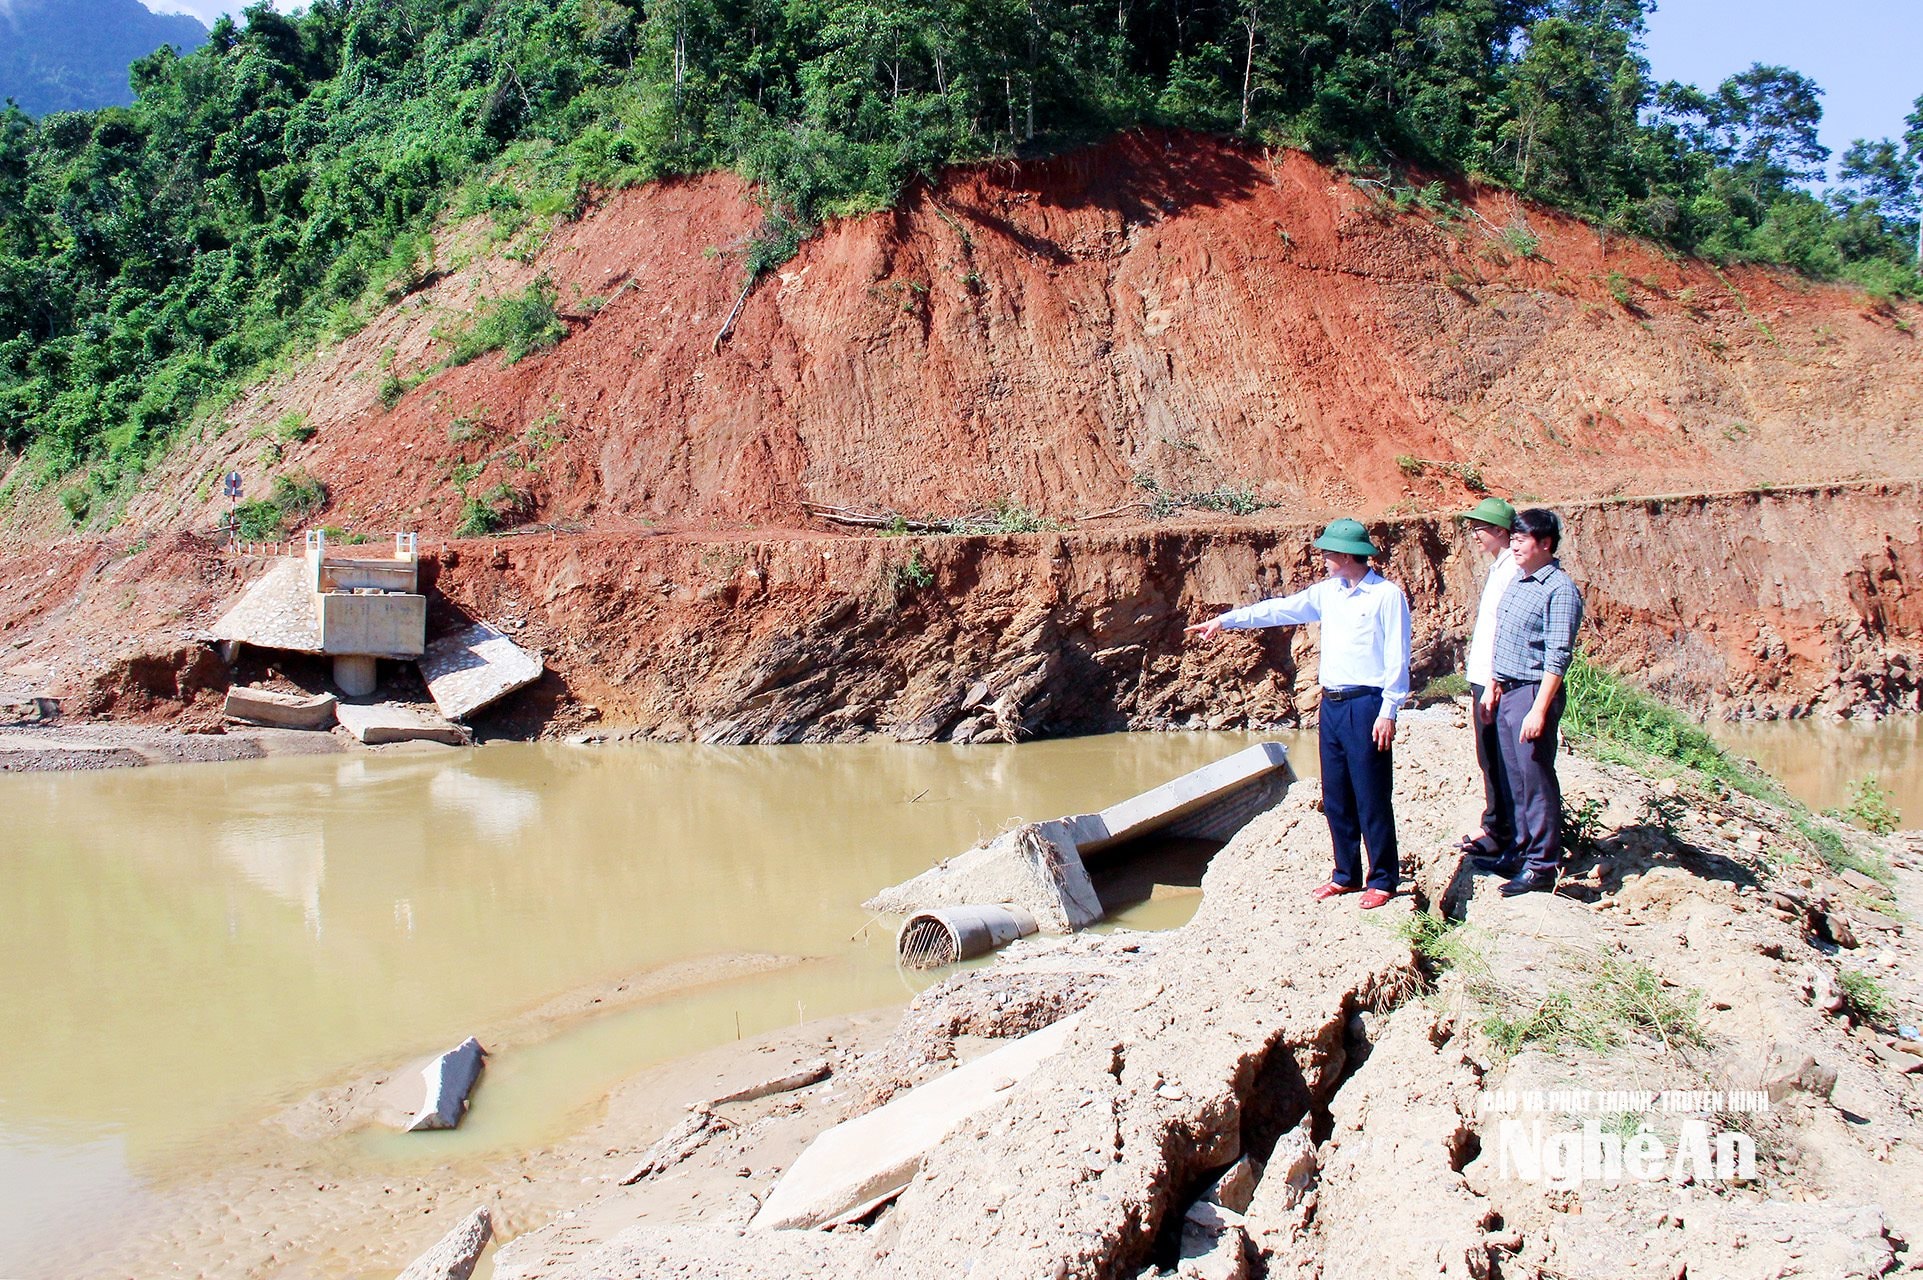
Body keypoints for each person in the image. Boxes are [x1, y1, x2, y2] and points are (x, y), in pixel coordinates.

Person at [1186, 518, 1411, 909]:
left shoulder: (1386, 596)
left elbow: (1398, 656)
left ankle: (1383, 879)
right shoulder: (1328, 593)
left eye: (1328, 552)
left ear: (1346, 555)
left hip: (1368, 704)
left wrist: (1389, 709)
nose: (1322, 558)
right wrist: (1225, 621)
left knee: (1372, 794)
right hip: (1334, 704)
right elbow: (1278, 610)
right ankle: (1345, 874)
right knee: (1336, 793)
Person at [1478, 508, 1584, 897]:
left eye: (1523, 540)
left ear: (1545, 544)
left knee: (1535, 779)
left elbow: (1558, 655)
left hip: (1533, 691)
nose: (1516, 545)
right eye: (1515, 538)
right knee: (1515, 778)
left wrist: (1539, 709)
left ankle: (1542, 864)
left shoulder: (1559, 589)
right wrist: (1493, 684)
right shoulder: (1520, 582)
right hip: (1508, 689)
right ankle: (1520, 852)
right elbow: (1503, 638)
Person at [1458, 497, 1519, 860]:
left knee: (1500, 758)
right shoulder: (1501, 567)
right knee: (1490, 758)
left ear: (1500, 531)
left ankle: (1506, 837)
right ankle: (1496, 827)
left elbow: (1506, 631)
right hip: (1484, 677)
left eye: (1480, 529)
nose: (1476, 536)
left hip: (1494, 680)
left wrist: (1494, 681)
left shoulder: (1511, 570)